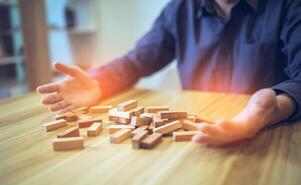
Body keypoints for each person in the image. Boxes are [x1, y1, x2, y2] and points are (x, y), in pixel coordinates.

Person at [37, 0, 301, 145]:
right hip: (192, 142)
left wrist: (272, 109)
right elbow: (137, 60)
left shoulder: (290, 6)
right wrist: (98, 81)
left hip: (270, 137)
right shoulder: (179, 9)